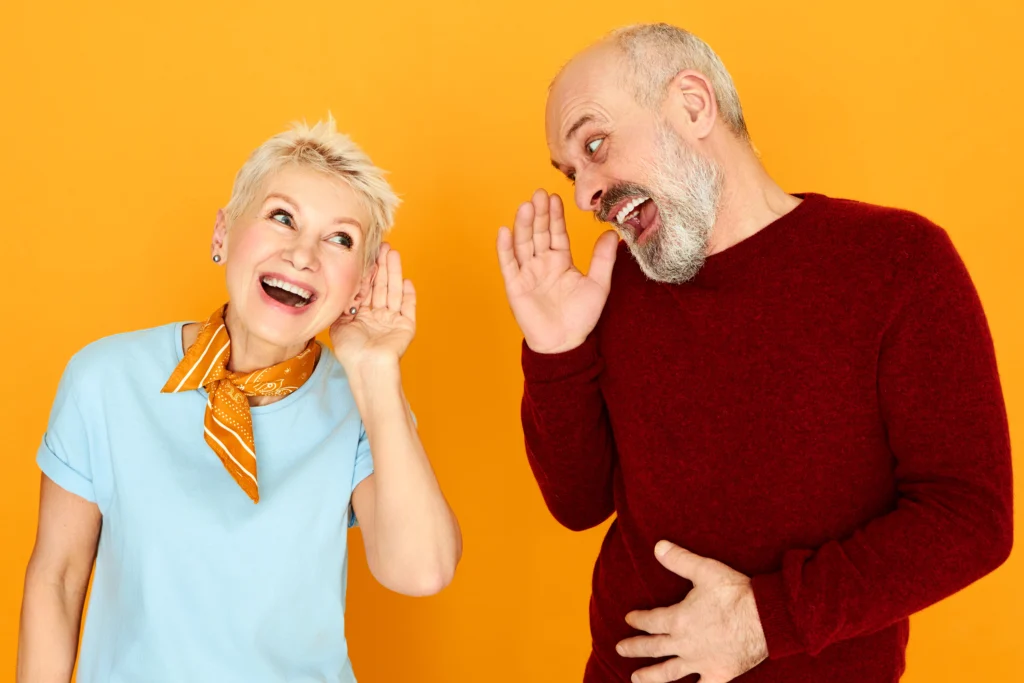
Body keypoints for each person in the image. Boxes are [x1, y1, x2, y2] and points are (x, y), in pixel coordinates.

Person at [496, 23, 1012, 683]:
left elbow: (970, 516)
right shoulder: (612, 287)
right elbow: (578, 503)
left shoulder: (898, 262)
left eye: (595, 145)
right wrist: (555, 348)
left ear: (692, 104)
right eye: (570, 173)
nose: (585, 195)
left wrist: (763, 621)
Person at [18, 117, 461, 683]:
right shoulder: (104, 380)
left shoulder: (363, 408)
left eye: (340, 239)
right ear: (222, 234)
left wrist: (376, 372)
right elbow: (56, 579)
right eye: (282, 218)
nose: (304, 255)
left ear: (361, 284)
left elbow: (421, 571)